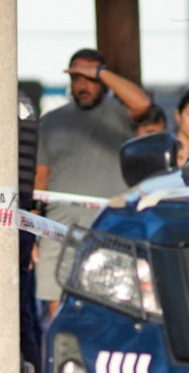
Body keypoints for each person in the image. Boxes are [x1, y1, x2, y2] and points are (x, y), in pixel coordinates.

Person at [35, 48, 151, 313]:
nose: (83, 84)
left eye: (90, 78)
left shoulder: (121, 114)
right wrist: (33, 232)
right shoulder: (51, 121)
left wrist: (100, 72)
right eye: (77, 77)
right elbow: (40, 179)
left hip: (109, 230)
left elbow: (143, 104)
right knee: (60, 310)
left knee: (111, 309)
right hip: (58, 231)